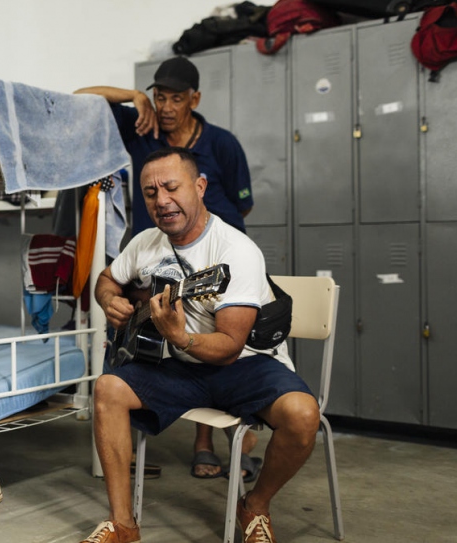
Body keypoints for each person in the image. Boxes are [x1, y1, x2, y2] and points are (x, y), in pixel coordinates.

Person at [82, 148, 319, 543]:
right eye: (150, 192)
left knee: (303, 413)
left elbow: (228, 345)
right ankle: (123, 524)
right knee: (107, 387)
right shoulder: (145, 243)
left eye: (171, 187)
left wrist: (179, 335)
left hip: (244, 365)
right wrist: (110, 300)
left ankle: (255, 506)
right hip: (178, 365)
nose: (161, 200)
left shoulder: (235, 251)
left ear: (200, 186)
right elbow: (106, 279)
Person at [77, 56, 257, 479]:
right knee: (129, 329)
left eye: (177, 98)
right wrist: (132, 96)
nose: (167, 106)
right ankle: (124, 439)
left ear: (194, 99)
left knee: (216, 335)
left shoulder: (221, 143)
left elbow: (244, 202)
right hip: (152, 259)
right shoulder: (143, 128)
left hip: (216, 260)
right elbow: (79, 100)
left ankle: (208, 441)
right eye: (160, 96)